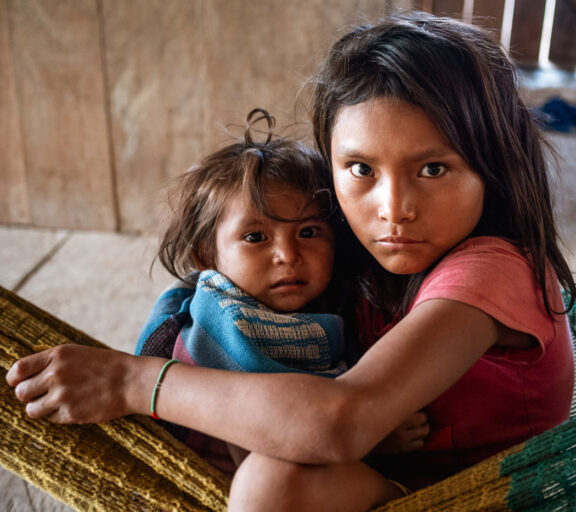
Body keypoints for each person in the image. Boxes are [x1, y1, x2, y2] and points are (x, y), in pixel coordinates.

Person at [6, 11, 576, 511]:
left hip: (469, 498)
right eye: (361, 169)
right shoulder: (355, 242)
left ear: (494, 164)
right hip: (376, 470)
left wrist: (131, 381)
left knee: (275, 479)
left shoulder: (493, 270)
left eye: (433, 169)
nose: (394, 210)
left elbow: (341, 421)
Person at [135, 108, 429, 475]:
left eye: (308, 232)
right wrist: (372, 442)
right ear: (206, 256)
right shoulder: (224, 326)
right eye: (255, 237)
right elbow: (263, 460)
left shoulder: (337, 308)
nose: (288, 256)